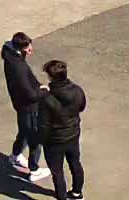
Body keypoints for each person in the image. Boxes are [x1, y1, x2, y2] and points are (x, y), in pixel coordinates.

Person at [1, 32, 50, 182]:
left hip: (20, 103)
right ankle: (34, 170)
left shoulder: (11, 57)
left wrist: (37, 85)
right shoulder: (18, 67)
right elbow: (30, 94)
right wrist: (43, 91)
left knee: (24, 130)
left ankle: (15, 155)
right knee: (34, 137)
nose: (31, 50)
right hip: (28, 106)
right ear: (20, 49)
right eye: (28, 48)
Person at [37, 59, 87, 200]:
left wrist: (42, 140)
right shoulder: (77, 90)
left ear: (51, 77)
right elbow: (82, 106)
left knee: (57, 172)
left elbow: (44, 125)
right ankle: (77, 193)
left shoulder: (47, 99)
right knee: (75, 163)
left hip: (55, 141)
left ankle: (62, 197)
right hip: (73, 134)